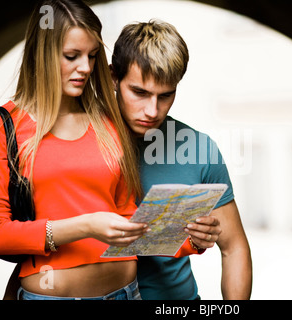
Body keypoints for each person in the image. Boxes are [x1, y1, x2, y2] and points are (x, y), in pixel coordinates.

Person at [0, 0, 152, 300]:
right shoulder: (0, 127)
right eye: (72, 56)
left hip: (126, 292)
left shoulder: (107, 120)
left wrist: (186, 235)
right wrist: (85, 226)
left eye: (92, 56)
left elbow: (125, 215)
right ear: (42, 54)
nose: (86, 68)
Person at [110, 19, 252, 300]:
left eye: (165, 95)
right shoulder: (79, 139)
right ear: (113, 77)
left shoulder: (199, 149)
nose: (152, 110)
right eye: (140, 93)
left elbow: (234, 248)